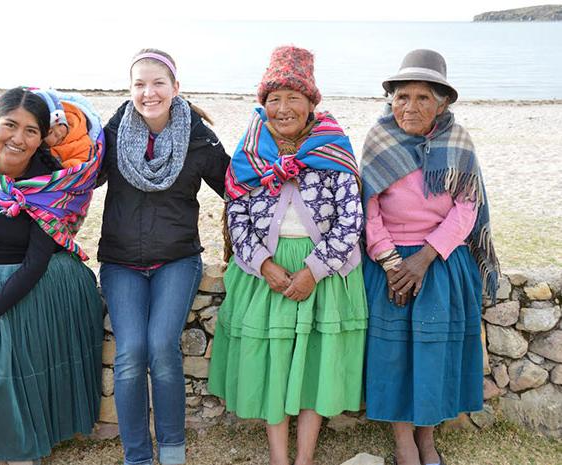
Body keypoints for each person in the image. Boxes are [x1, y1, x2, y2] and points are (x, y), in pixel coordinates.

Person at [208, 46, 368, 465]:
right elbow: (236, 215)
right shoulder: (251, 151)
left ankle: (304, 459)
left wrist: (314, 271)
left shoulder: (334, 147)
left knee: (315, 363)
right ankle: (280, 458)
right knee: (271, 366)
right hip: (265, 275)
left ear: (312, 103)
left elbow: (351, 221)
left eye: (293, 99)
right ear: (263, 105)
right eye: (274, 99)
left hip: (325, 276)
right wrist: (264, 264)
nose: (283, 109)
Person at [0, 87, 104, 464]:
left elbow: (35, 262)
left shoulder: (49, 184)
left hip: (34, 283)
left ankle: (21, 455)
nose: (18, 138)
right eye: (10, 125)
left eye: (31, 130)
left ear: (42, 137)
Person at [361, 49, 500, 465]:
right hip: (389, 266)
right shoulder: (379, 138)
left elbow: (467, 208)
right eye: (402, 97)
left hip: (440, 262)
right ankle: (404, 442)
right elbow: (367, 208)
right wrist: (391, 263)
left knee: (433, 353)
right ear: (391, 100)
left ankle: (427, 438)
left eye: (423, 98)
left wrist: (424, 258)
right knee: (394, 355)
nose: (410, 107)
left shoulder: (458, 142)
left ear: (442, 102)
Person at [97, 49, 230, 465]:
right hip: (121, 262)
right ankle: (137, 457)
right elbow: (77, 177)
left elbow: (237, 189)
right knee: (131, 351)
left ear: (176, 87)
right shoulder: (114, 133)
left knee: (161, 347)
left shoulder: (199, 136)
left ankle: (172, 453)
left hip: (177, 259)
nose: (149, 92)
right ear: (130, 89)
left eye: (158, 83)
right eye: (139, 84)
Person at [31, 88, 105, 169]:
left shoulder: (79, 137)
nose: (58, 133)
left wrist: (67, 166)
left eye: (60, 124)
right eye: (50, 132)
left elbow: (83, 158)